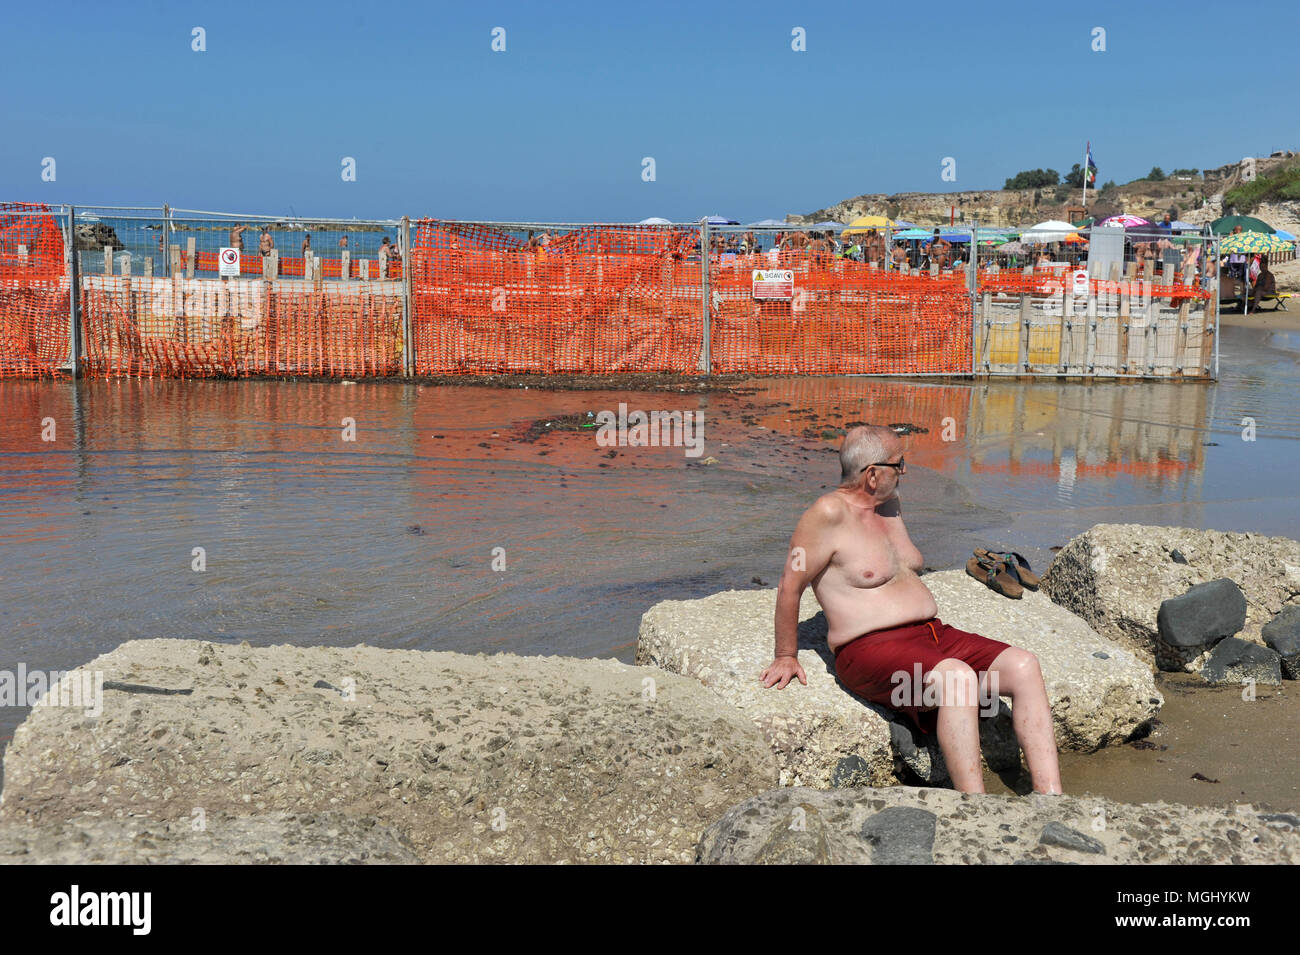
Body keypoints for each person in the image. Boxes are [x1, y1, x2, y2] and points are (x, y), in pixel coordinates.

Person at [760, 425, 1063, 795]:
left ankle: (1052, 799)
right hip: (870, 649)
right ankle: (975, 806)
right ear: (872, 474)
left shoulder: (889, 505)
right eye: (899, 465)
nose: (905, 471)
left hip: (933, 635)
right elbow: (790, 585)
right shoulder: (826, 514)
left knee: (1024, 666)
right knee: (958, 678)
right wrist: (786, 654)